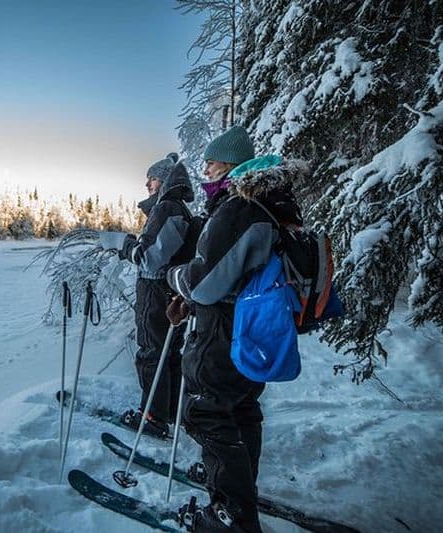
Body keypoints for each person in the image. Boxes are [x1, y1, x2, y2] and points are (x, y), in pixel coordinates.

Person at [166, 126, 305, 533]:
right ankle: (238, 494)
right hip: (251, 324)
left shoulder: (239, 207)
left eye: (210, 162)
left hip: (224, 330)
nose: (204, 169)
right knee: (240, 408)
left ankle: (230, 515)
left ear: (229, 165)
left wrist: (176, 278)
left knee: (205, 410)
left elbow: (206, 281)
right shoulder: (267, 204)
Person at [98, 153, 195, 439]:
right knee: (168, 353)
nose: (147, 185)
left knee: (151, 353)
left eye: (151, 179)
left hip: (157, 292)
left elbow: (149, 258)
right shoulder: (175, 209)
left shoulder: (168, 208)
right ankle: (171, 411)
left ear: (164, 180)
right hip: (171, 294)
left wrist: (121, 243)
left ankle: (152, 417)